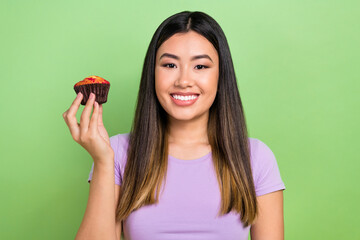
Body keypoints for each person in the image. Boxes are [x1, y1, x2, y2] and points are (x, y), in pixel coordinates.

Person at [63, 11, 285, 240]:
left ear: (221, 76)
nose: (184, 81)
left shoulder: (255, 158)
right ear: (153, 74)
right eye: (170, 65)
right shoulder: (117, 153)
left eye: (200, 66)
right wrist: (102, 161)